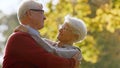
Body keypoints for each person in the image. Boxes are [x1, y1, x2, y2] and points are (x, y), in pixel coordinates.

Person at [2, 0, 80, 68]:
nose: (45, 17)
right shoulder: (19, 38)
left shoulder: (31, 38)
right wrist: (72, 62)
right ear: (29, 13)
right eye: (41, 12)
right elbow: (49, 61)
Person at [13, 15, 87, 68]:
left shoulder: (75, 52)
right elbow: (42, 41)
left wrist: (29, 31)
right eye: (61, 26)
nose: (60, 30)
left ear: (75, 36)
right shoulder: (53, 44)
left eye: (65, 29)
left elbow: (53, 51)